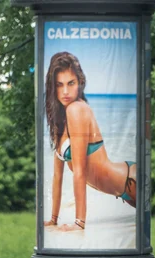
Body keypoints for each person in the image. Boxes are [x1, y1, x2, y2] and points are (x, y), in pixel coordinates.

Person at [43, 52, 137, 232]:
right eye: (59, 85)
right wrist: (53, 219)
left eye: (71, 83)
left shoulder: (76, 110)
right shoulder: (59, 120)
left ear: (80, 83)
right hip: (123, 186)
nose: (65, 91)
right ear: (52, 88)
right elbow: (58, 177)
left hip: (130, 182)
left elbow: (79, 171)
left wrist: (79, 223)